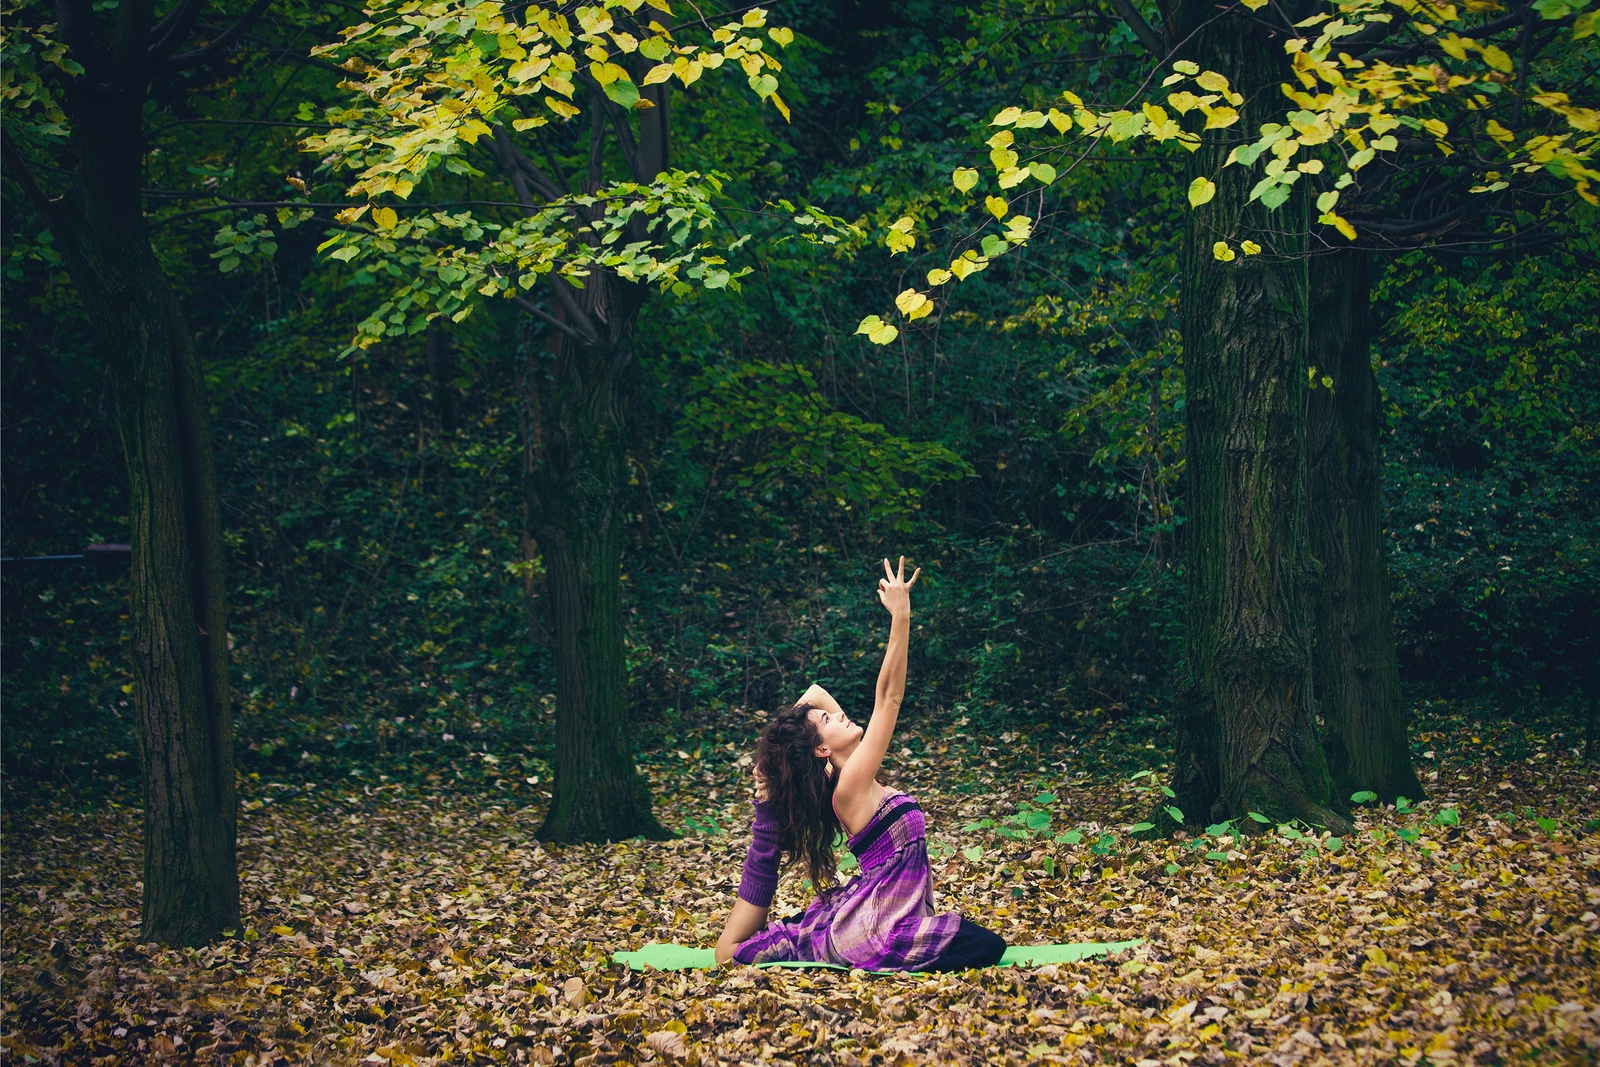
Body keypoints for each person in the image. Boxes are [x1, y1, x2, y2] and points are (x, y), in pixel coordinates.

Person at [714, 556, 1006, 972]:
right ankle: (865, 945)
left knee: (980, 944)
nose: (838, 714)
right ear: (820, 751)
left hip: (883, 912)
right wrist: (901, 617)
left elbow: (814, 693)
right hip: (877, 927)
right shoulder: (849, 785)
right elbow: (889, 699)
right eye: (829, 722)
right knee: (985, 945)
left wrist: (777, 758)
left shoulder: (851, 771)